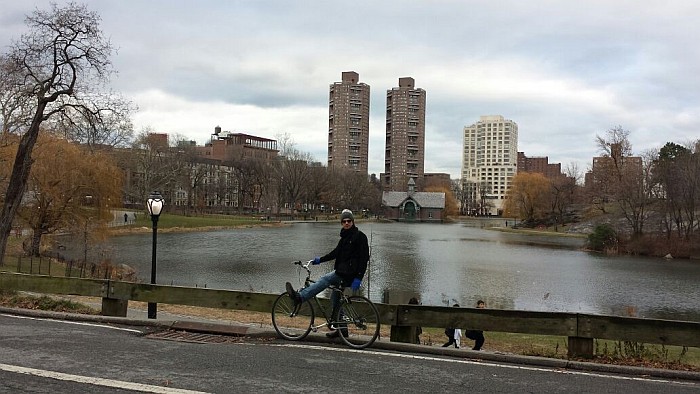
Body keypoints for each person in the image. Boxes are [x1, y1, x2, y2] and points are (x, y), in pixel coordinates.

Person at [286, 209, 369, 338]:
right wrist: (319, 260)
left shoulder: (360, 237)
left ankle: (300, 297)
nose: (346, 223)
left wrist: (358, 278)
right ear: (341, 223)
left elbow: (364, 259)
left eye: (349, 221)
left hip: (348, 274)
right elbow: (335, 253)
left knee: (324, 279)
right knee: (335, 301)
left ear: (353, 222)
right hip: (342, 272)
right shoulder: (344, 237)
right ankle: (342, 330)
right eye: (344, 221)